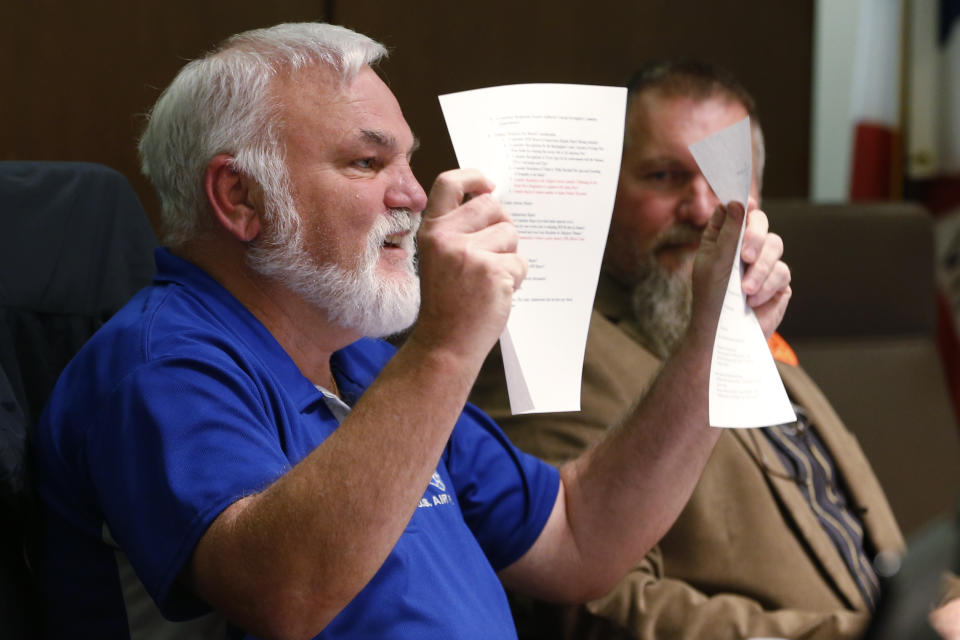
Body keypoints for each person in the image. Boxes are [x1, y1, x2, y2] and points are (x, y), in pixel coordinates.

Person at [32, 28, 791, 639]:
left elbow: (578, 539)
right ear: (239, 196)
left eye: (409, 161)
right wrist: (448, 342)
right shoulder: (160, 360)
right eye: (368, 163)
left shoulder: (360, 361)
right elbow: (285, 596)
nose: (413, 196)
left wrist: (713, 341)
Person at [470, 60, 906, 640]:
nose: (703, 209)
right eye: (664, 176)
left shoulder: (748, 320)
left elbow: (862, 541)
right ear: (600, 189)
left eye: (728, 179)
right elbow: (592, 608)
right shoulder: (550, 348)